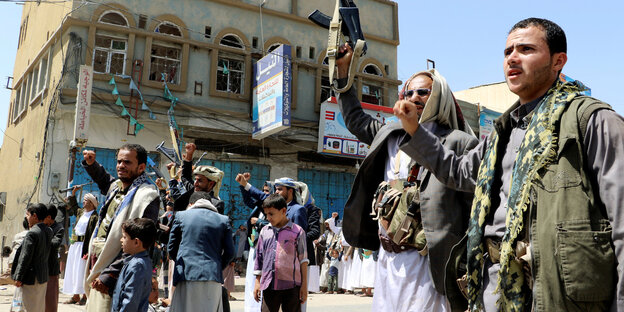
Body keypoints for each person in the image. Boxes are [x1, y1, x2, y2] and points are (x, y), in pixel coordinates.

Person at [394, 18, 624, 311]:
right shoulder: (503, 132)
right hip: (495, 287)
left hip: (559, 294)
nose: (512, 58)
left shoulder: (593, 121)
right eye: (507, 52)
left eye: (526, 49)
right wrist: (414, 128)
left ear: (558, 61)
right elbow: (459, 172)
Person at [336, 44, 478, 311]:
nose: (414, 97)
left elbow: (473, 210)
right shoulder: (390, 135)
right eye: (408, 92)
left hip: (430, 265)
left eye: (423, 92)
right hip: (389, 263)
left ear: (439, 97)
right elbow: (354, 119)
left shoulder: (459, 142)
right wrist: (344, 72)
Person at [81, 144, 160, 312]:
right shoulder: (117, 187)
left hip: (117, 268)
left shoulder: (147, 195)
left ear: (141, 167)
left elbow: (139, 241)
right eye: (119, 162)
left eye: (127, 162)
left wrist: (110, 274)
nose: (121, 166)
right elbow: (104, 179)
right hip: (98, 260)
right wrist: (91, 164)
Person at [167, 191, 235, 312]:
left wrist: (181, 264)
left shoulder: (181, 216)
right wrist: (217, 266)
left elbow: (171, 248)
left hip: (186, 275)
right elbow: (230, 253)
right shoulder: (224, 220)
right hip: (212, 277)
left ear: (191, 203)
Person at [253, 194, 308, 312]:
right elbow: (259, 258)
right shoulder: (264, 231)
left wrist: (304, 285)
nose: (268, 217)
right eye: (266, 214)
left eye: (271, 214)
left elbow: (303, 260)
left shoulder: (297, 231)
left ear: (283, 210)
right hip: (269, 284)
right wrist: (257, 282)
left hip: (292, 286)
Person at [11, 203, 53, 312]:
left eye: (27, 214)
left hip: (30, 278)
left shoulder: (32, 233)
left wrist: (19, 277)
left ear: (34, 216)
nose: (26, 217)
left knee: (24, 306)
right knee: (38, 306)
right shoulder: (48, 231)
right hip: (42, 277)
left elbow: (25, 257)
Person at [111, 218, 157, 312]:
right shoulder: (140, 261)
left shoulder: (137, 266)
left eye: (124, 237)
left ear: (136, 242)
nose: (121, 240)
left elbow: (130, 302)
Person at [63, 187, 99, 305]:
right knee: (74, 270)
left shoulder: (94, 217)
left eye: (86, 200)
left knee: (82, 271)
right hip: (75, 245)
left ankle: (84, 295)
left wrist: (91, 249)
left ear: (92, 204)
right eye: (83, 200)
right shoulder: (81, 213)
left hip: (84, 246)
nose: (83, 202)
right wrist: (73, 193)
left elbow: (94, 234)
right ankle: (75, 296)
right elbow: (73, 205)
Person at [173, 143, 225, 213]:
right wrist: (189, 155)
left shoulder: (215, 204)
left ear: (211, 184)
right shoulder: (193, 190)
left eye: (200, 181)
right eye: (195, 179)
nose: (195, 183)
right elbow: (185, 176)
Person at [43, 204, 64, 312]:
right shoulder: (40, 226)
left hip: (51, 269)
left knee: (50, 300)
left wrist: (41, 239)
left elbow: (55, 243)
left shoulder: (59, 228)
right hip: (40, 268)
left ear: (50, 217)